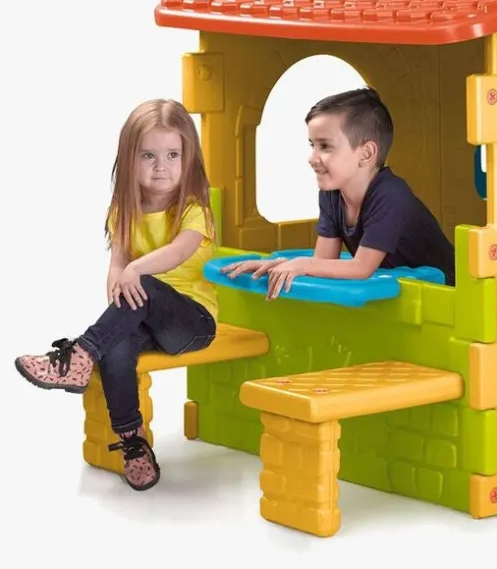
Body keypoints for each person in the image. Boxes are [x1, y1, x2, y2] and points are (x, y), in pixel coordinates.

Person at [15, 100, 217, 489]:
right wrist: (117, 278)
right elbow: (118, 262)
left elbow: (177, 253)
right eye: (148, 155)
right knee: (117, 349)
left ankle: (79, 354)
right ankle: (132, 442)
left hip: (192, 322)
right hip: (144, 316)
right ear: (129, 159)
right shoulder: (124, 210)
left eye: (172, 155)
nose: (161, 166)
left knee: (147, 285)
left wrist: (135, 271)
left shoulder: (195, 210)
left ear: (189, 158)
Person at [225, 87, 456, 298]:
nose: (312, 158)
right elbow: (323, 261)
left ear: (366, 154)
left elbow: (361, 268)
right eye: (312, 145)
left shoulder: (391, 196)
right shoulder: (332, 193)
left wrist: (302, 264)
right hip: (403, 295)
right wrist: (280, 265)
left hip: (448, 295)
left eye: (325, 146)